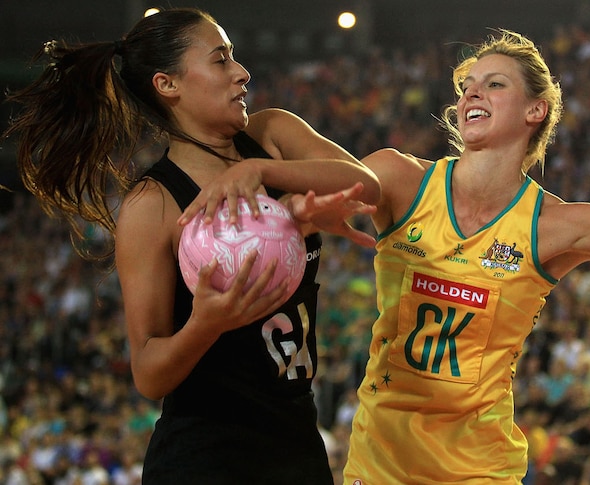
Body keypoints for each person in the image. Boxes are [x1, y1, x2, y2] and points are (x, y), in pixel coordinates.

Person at [170, 29, 590, 483]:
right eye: (467, 84)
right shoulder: (400, 177)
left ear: (535, 110)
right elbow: (344, 180)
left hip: (479, 469)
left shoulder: (555, 225)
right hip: (381, 461)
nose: (470, 93)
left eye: (494, 83)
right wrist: (261, 168)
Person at [4, 7, 379, 485]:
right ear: (168, 84)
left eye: (234, 58)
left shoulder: (272, 137)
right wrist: (206, 323)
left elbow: (368, 187)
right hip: (205, 455)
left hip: (298, 439)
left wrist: (261, 173)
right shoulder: (153, 203)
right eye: (220, 60)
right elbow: (149, 373)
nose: (242, 73)